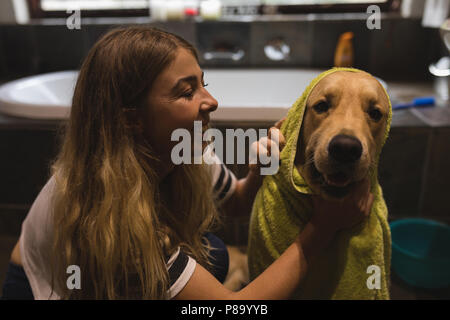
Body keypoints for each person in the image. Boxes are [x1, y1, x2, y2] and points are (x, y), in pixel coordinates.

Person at [1, 26, 373, 300]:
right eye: (187, 91)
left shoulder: (182, 146)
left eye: (202, 82)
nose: (211, 101)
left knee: (215, 254)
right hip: (39, 287)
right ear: (131, 119)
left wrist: (260, 170)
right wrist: (322, 228)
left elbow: (238, 202)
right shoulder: (111, 218)